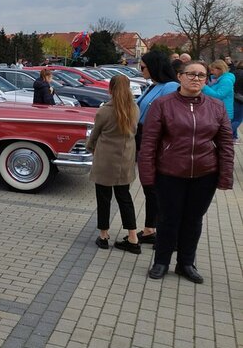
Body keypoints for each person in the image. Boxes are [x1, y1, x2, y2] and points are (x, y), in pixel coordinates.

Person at [139, 61, 234, 283]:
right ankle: (161, 262)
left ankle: (186, 263)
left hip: (204, 174)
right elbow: (149, 142)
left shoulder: (216, 106)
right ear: (180, 77)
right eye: (191, 74)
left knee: (193, 220)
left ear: (206, 80)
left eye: (201, 75)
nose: (196, 79)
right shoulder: (162, 105)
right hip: (169, 173)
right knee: (167, 220)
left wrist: (225, 176)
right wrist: (147, 175)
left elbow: (225, 144)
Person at [87, 75, 140, 253]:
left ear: (110, 89)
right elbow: (135, 131)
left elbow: (95, 134)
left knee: (104, 198)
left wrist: (90, 147)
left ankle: (103, 236)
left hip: (105, 159)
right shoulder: (134, 108)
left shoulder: (104, 111)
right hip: (125, 158)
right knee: (125, 197)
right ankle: (133, 237)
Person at [134, 51, 179, 244]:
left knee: (157, 189)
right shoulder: (154, 85)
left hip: (156, 141)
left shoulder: (170, 87)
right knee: (149, 188)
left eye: (143, 67)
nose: (140, 70)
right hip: (143, 138)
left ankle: (166, 233)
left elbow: (170, 117)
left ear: (154, 66)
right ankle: (150, 229)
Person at [231, 61, 243, 143]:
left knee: (234, 118)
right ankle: (226, 134)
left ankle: (234, 137)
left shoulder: (233, 73)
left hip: (233, 97)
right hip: (241, 99)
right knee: (238, 119)